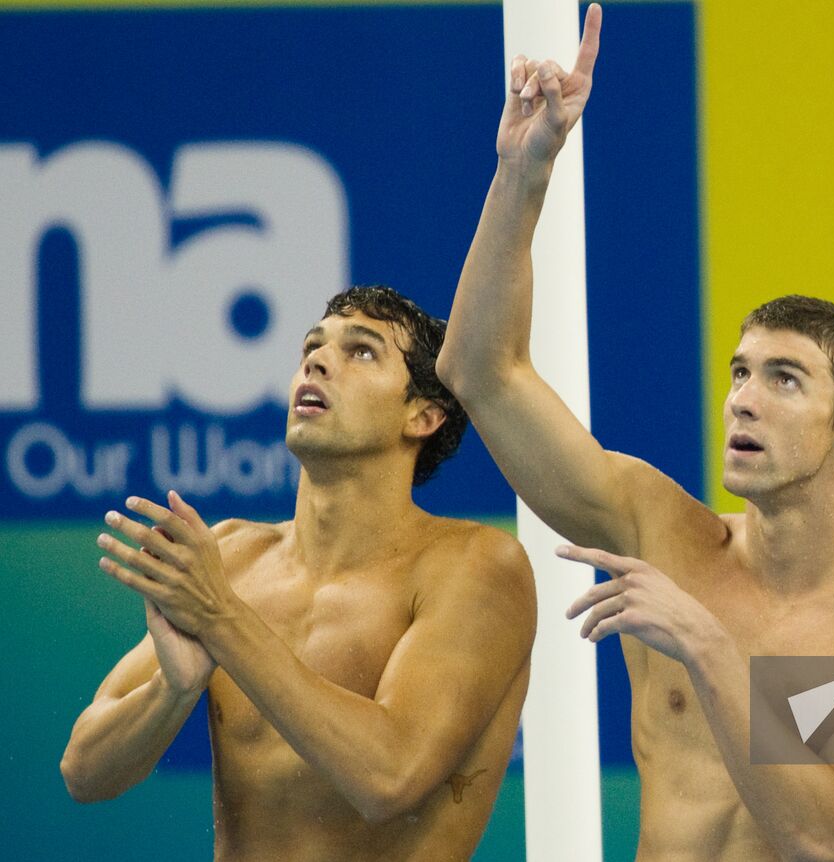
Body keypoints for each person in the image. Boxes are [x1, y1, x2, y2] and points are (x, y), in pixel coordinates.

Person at [435, 6, 834, 859]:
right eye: (740, 374)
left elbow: (828, 840)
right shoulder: (663, 533)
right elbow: (480, 373)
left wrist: (708, 640)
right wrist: (525, 173)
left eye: (784, 380)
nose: (743, 401)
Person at [61, 286, 535, 861]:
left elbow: (390, 777)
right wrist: (172, 689)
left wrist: (223, 621)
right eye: (313, 345)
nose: (316, 360)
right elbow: (84, 772)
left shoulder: (475, 566)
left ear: (423, 415)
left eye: (361, 351)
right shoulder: (231, 558)